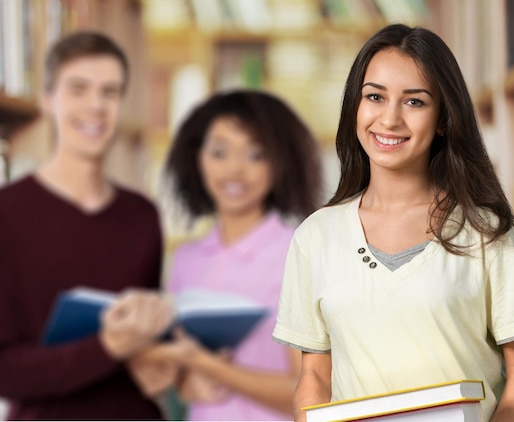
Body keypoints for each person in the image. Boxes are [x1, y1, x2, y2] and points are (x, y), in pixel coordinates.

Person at [272, 24, 514, 422]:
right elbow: (315, 374)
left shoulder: (488, 232)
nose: (389, 119)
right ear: (356, 105)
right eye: (374, 97)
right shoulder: (315, 237)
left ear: (442, 118)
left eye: (414, 102)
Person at [0, 31, 174, 420]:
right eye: (78, 89)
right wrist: (108, 346)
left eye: (109, 92)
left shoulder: (143, 215)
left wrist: (163, 362)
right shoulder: (6, 214)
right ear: (48, 100)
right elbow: (5, 371)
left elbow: (144, 345)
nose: (95, 105)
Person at [130, 89, 323, 420]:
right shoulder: (186, 259)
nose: (234, 169)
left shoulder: (299, 252)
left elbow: (312, 397)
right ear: (197, 157)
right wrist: (184, 381)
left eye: (256, 154)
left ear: (280, 162)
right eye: (219, 152)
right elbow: (175, 370)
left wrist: (209, 367)